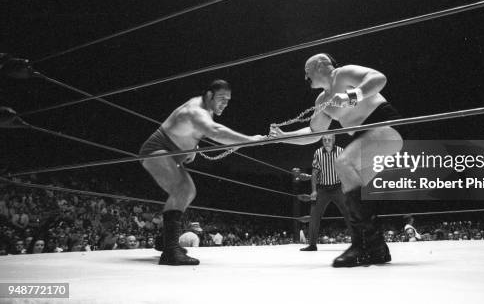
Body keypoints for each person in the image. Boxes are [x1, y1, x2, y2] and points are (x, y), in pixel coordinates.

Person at [269, 53, 404, 267]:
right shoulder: (322, 101)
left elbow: (379, 78)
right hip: (365, 137)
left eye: (307, 70)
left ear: (322, 64)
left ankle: (364, 246)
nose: (305, 77)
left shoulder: (343, 74)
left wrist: (353, 95)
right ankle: (376, 247)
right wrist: (284, 137)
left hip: (385, 125)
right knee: (357, 187)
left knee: (342, 163)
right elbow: (314, 133)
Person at [140, 80, 265, 266]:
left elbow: (190, 130)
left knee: (187, 191)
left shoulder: (204, 109)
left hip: (171, 153)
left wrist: (192, 146)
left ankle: (167, 242)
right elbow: (215, 131)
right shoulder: (196, 111)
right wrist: (249, 140)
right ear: (209, 95)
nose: (225, 103)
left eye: (228, 100)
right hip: (156, 150)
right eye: (222, 98)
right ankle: (170, 251)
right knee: (183, 189)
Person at [300, 134, 351, 252]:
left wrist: (345, 186)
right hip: (323, 189)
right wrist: (313, 190)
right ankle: (312, 245)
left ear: (334, 140)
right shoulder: (318, 152)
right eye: (324, 140)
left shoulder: (341, 151)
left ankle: (357, 242)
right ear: (322, 141)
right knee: (314, 216)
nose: (327, 142)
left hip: (338, 188)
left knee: (349, 214)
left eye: (329, 139)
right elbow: (314, 173)